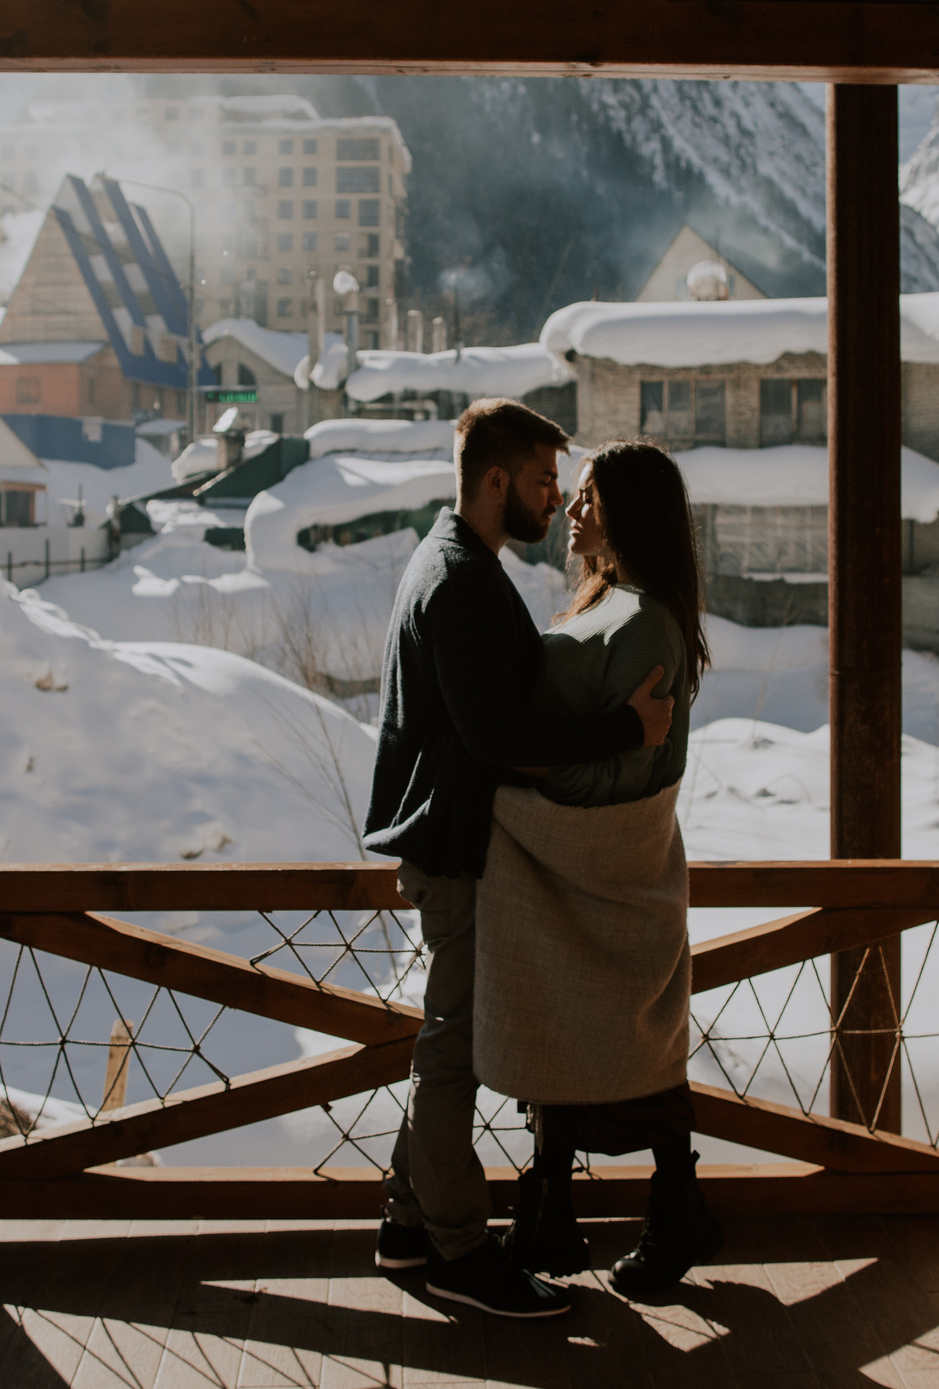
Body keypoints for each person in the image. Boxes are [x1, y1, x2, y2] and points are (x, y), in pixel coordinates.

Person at [364, 400, 674, 1320]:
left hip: (452, 842)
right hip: (453, 848)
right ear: (495, 480)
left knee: (446, 1039)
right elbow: (498, 734)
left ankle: (407, 1222)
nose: (553, 499)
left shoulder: (454, 563)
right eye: (544, 481)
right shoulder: (458, 578)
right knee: (452, 1049)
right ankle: (460, 1250)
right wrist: (626, 727)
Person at [472, 441, 720, 1296]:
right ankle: (548, 1214)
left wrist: (513, 772)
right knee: (564, 1034)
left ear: (631, 511)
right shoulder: (609, 600)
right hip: (565, 876)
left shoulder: (647, 621)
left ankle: (667, 1215)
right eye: (573, 494)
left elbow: (625, 775)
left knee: (631, 1056)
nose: (571, 510)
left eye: (590, 496)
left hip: (607, 870)